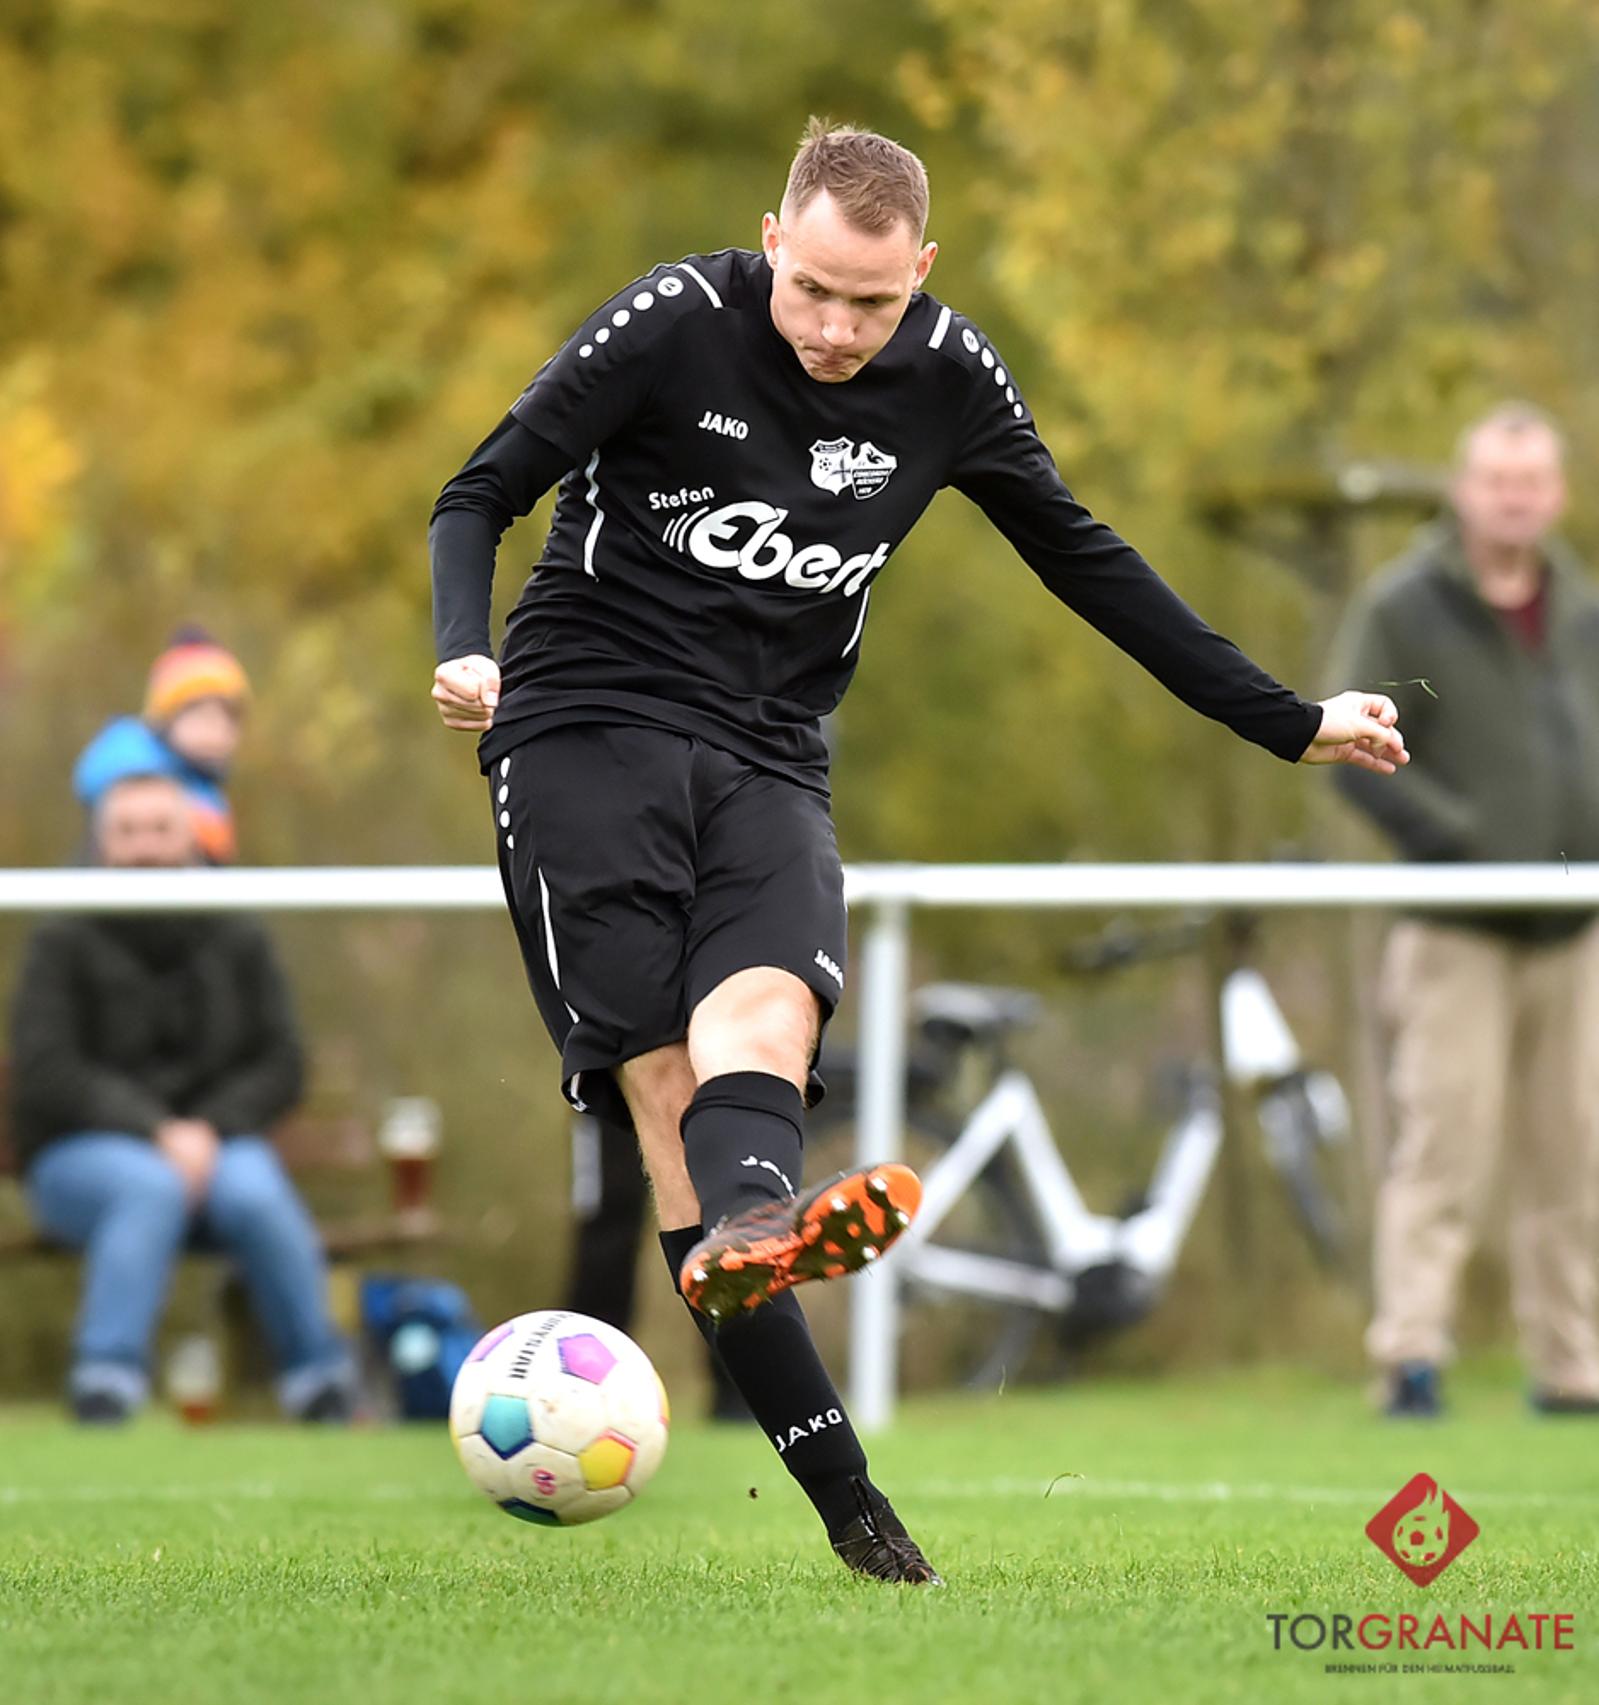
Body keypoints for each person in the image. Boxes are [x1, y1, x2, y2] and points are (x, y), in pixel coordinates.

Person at [428, 119, 1407, 1581]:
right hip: (584, 723)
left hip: (770, 747)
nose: (835, 329)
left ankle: (758, 1231)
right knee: (669, 1096)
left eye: (871, 303)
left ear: (923, 273)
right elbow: (479, 490)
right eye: (813, 289)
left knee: (768, 1022)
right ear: (774, 239)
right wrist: (464, 646)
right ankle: (854, 1508)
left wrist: (1287, 720)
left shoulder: (949, 377)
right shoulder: (673, 321)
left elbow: (1082, 556)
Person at [1329, 402, 1599, 1420]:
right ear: (1463, 489)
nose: (1514, 500)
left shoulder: (1582, 607)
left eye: (1531, 482)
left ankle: (1572, 1366)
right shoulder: (1404, 606)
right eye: (1497, 480)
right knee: (1443, 1149)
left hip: (1574, 929)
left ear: (1555, 494)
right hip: (1455, 927)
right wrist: (1468, 842)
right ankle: (1410, 1357)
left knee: (1576, 1156)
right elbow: (1352, 750)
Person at [7, 772, 354, 1424]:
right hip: (79, 1162)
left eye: (160, 828)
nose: (145, 846)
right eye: (127, 831)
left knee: (256, 1191)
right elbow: (49, 1070)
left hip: (217, 1150)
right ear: (100, 842)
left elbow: (282, 1062)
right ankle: (106, 1381)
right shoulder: (61, 935)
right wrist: (155, 1131)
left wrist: (208, 1129)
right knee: (148, 1185)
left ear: (192, 838)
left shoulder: (238, 932)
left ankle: (321, 1382)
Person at [73, 627, 249, 864]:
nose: (214, 732)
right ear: (166, 720)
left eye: (226, 719)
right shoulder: (144, 779)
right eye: (201, 718)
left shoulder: (199, 778)